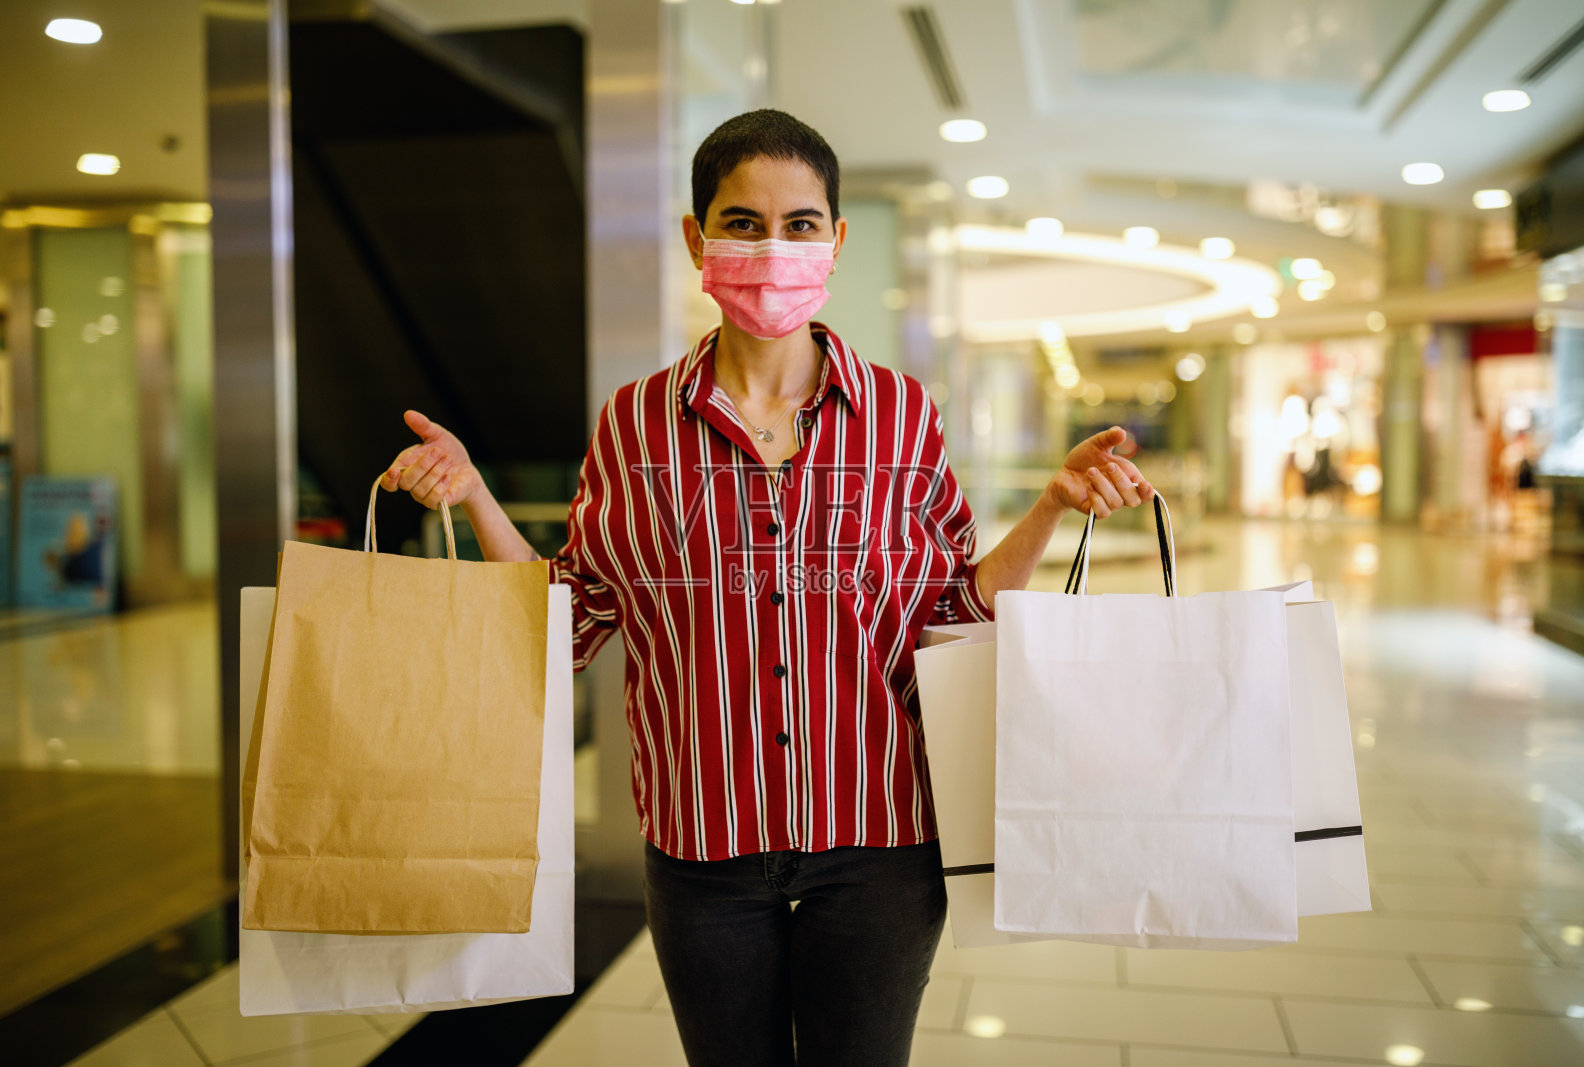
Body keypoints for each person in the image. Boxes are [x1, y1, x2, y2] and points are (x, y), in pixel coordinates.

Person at [380, 109, 1153, 1067]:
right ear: (697, 239)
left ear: (835, 238)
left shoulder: (902, 417)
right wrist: (476, 495)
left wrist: (1051, 506)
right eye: (743, 222)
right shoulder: (636, 425)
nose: (773, 246)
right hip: (703, 847)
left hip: (880, 838)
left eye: (800, 223)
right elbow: (568, 618)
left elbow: (953, 614)